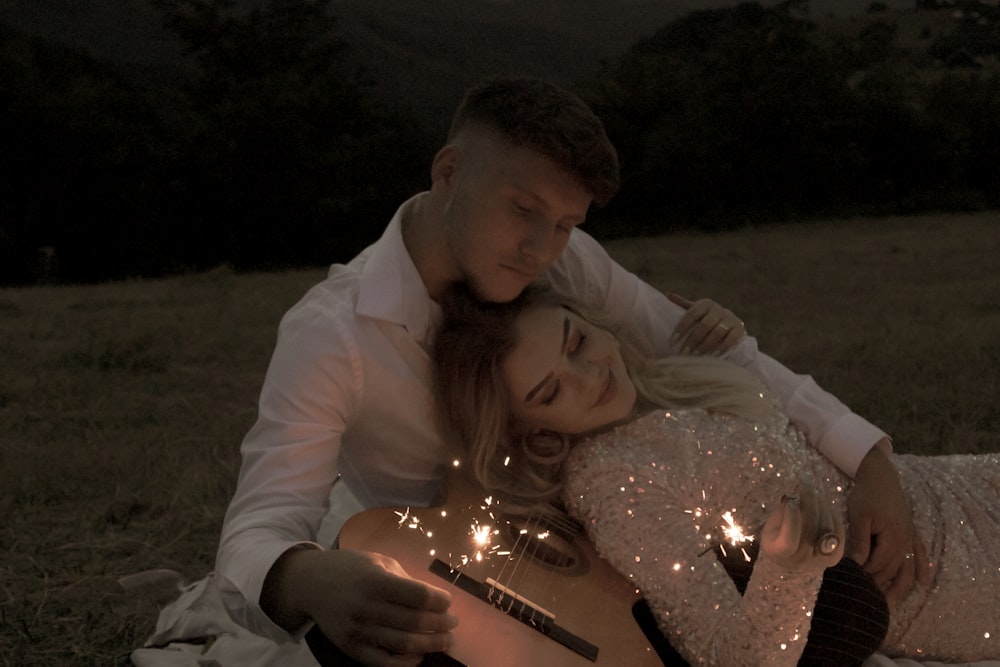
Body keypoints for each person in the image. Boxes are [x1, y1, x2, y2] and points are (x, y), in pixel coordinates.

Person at [201, 76, 922, 667]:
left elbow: (713, 351)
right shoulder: (333, 334)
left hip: (631, 540)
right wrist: (307, 577)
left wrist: (870, 458)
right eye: (523, 209)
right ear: (449, 172)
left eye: (567, 224)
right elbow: (261, 520)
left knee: (838, 607)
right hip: (481, 579)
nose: (542, 247)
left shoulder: (562, 257)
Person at [432, 283, 1000, 666]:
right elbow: (727, 650)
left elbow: (796, 413)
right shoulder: (610, 481)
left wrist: (728, 338)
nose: (587, 375)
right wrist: (789, 568)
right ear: (530, 429)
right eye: (551, 390)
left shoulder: (666, 385)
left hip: (943, 489)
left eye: (577, 342)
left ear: (592, 324)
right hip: (939, 578)